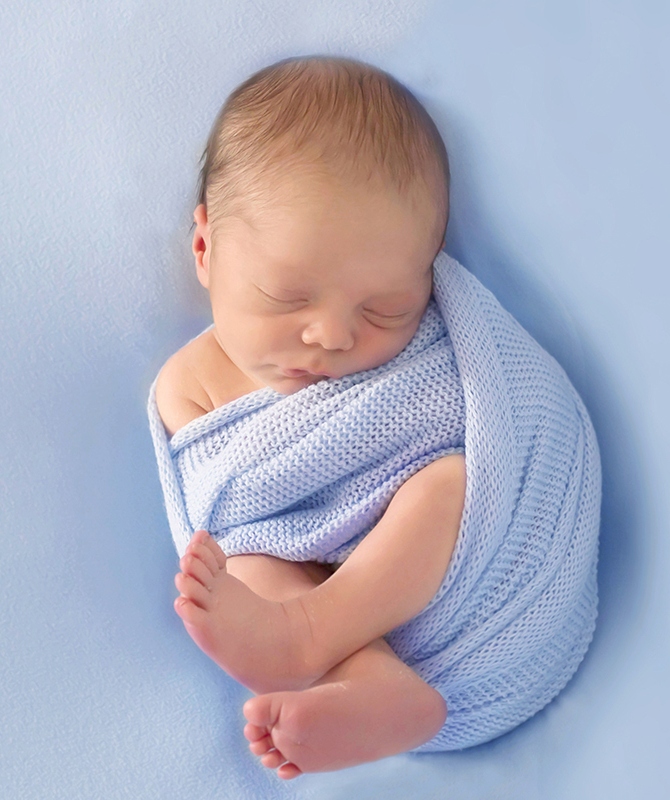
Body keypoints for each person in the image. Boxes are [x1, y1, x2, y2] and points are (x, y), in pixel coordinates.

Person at [152, 55, 465, 778]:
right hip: (292, 553)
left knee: (451, 483)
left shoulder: (425, 352)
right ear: (205, 249)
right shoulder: (189, 382)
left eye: (385, 309)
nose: (332, 336)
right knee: (251, 564)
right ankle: (370, 683)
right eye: (290, 299)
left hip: (405, 536)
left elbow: (467, 410)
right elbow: (230, 501)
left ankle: (312, 637)